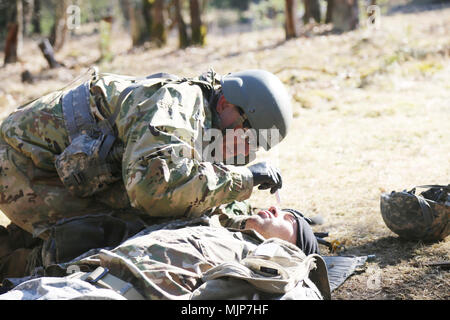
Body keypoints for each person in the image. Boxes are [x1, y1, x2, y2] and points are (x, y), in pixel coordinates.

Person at [0, 68, 292, 241]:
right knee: (123, 237)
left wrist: (251, 221)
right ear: (226, 103)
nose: (246, 149)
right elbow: (154, 189)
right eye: (247, 134)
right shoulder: (177, 105)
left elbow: (195, 192)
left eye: (255, 145)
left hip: (55, 173)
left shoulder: (206, 124)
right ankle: (18, 262)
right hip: (20, 165)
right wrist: (245, 179)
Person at [0, 206, 330, 300]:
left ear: (296, 247)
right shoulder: (215, 224)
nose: (274, 209)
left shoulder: (285, 272)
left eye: (289, 219)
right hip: (66, 281)